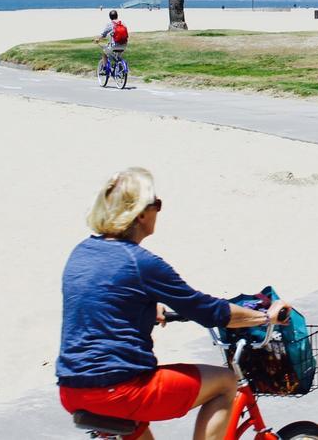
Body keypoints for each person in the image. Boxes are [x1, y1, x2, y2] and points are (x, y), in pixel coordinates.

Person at [58, 168, 292, 440]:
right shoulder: (141, 263)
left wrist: (143, 306)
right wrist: (265, 317)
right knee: (226, 383)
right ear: (141, 213)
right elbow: (209, 311)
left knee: (138, 428)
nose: (159, 210)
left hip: (72, 389)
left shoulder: (82, 252)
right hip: (120, 389)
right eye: (156, 204)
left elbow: (97, 302)